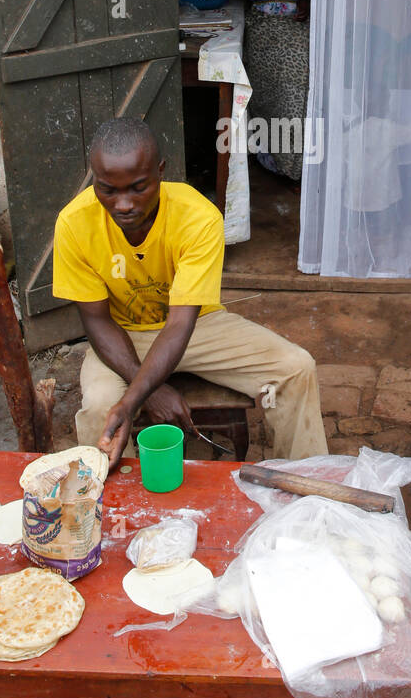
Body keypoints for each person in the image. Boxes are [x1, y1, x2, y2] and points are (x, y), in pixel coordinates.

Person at [52, 117, 328, 469]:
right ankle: (114, 505)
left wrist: (137, 395)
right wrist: (146, 391)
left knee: (295, 368)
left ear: (160, 172)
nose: (123, 204)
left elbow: (180, 323)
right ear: (94, 180)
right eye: (108, 189)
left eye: (138, 187)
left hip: (196, 327)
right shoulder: (74, 223)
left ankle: (307, 487)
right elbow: (97, 321)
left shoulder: (198, 216)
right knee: (98, 409)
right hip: (123, 335)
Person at [230, 0, 311, 181]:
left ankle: (296, 167)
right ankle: (272, 159)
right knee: (264, 90)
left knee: (295, 87)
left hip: (294, 25)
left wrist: (307, 0)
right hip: (261, 23)